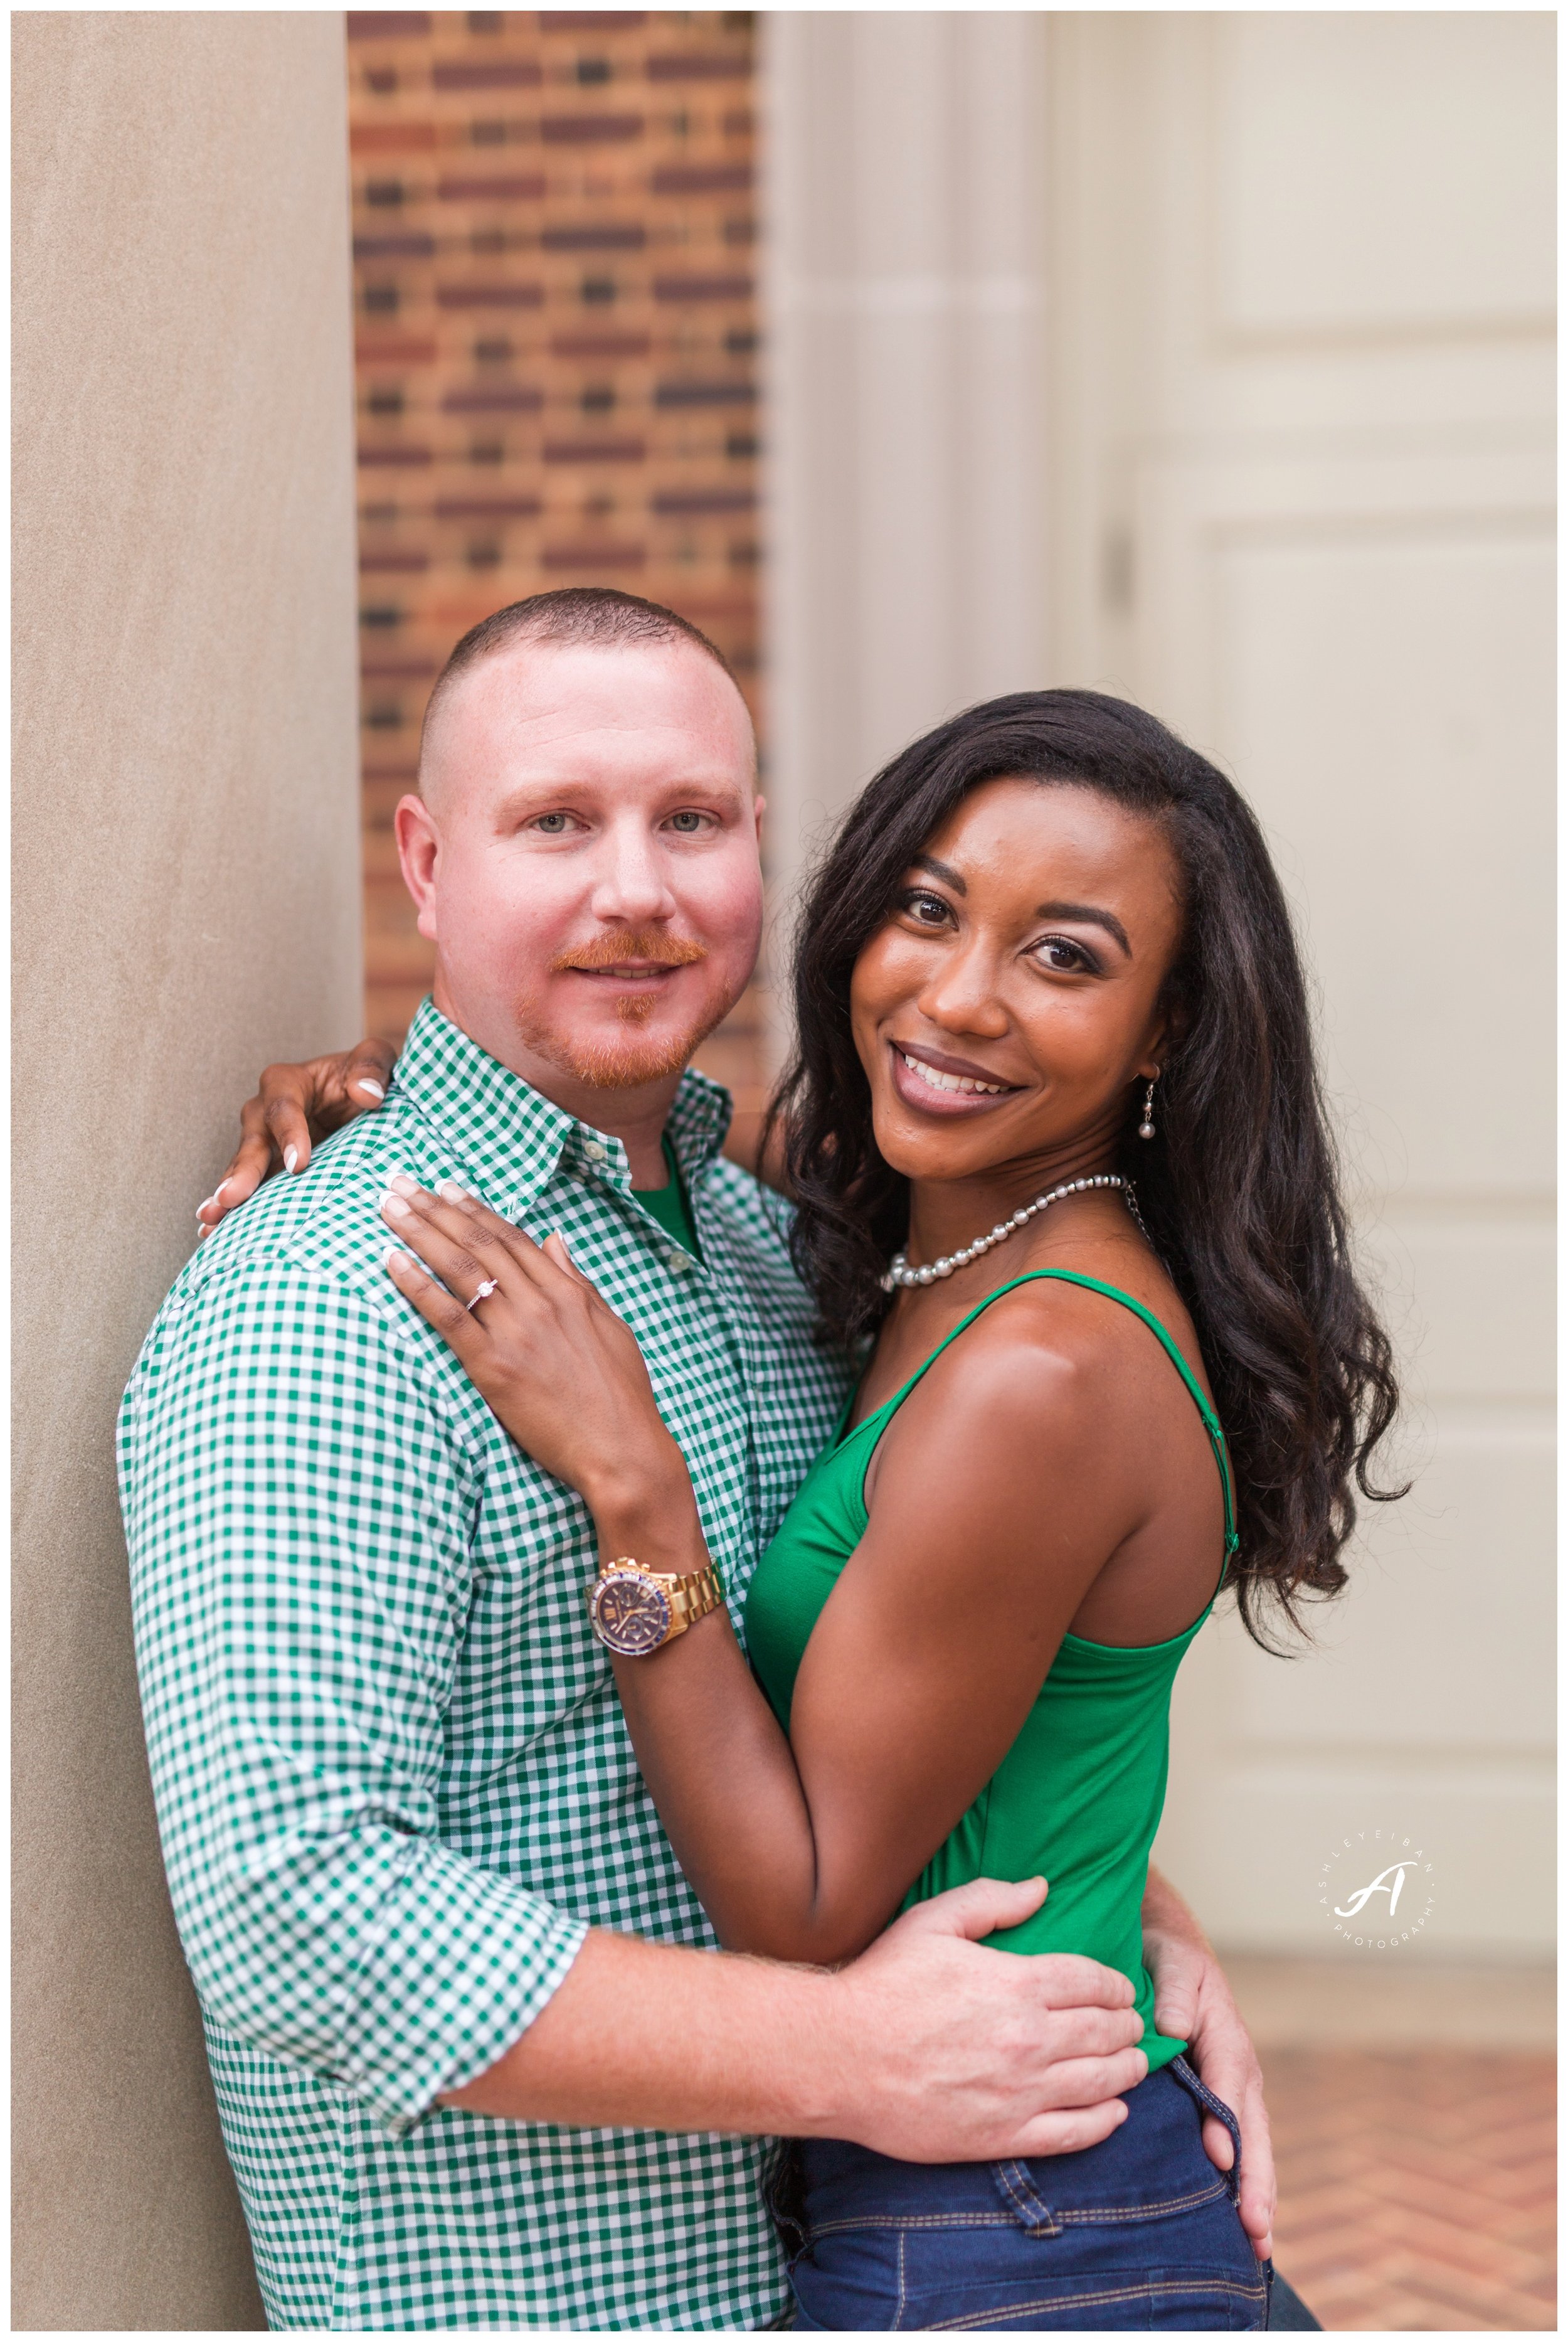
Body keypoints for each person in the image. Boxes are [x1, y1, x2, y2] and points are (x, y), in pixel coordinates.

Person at [142, 591, 1287, 2331]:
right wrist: (843, 2053)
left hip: (904, 2255)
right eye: (554, 824)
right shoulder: (325, 1306)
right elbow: (293, 1907)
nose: (633, 890)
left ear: (763, 851)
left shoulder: (774, 1254)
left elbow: (911, 1681)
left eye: (688, 820)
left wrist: (1120, 1910)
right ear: (428, 865)